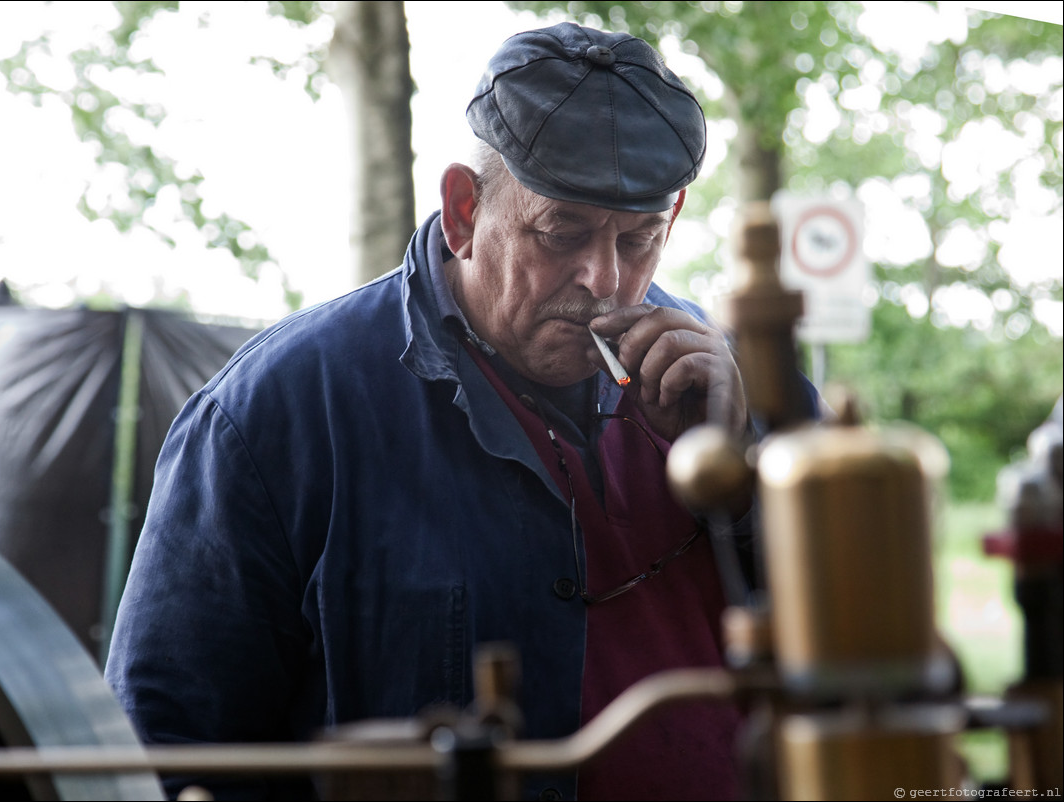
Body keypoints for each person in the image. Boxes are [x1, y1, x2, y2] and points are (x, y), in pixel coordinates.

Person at [106, 22, 820, 801]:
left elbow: (854, 651)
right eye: (563, 232)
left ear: (674, 216)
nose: (605, 281)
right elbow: (166, 750)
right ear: (463, 210)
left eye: (639, 240)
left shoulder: (741, 389)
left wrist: (751, 474)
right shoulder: (277, 415)